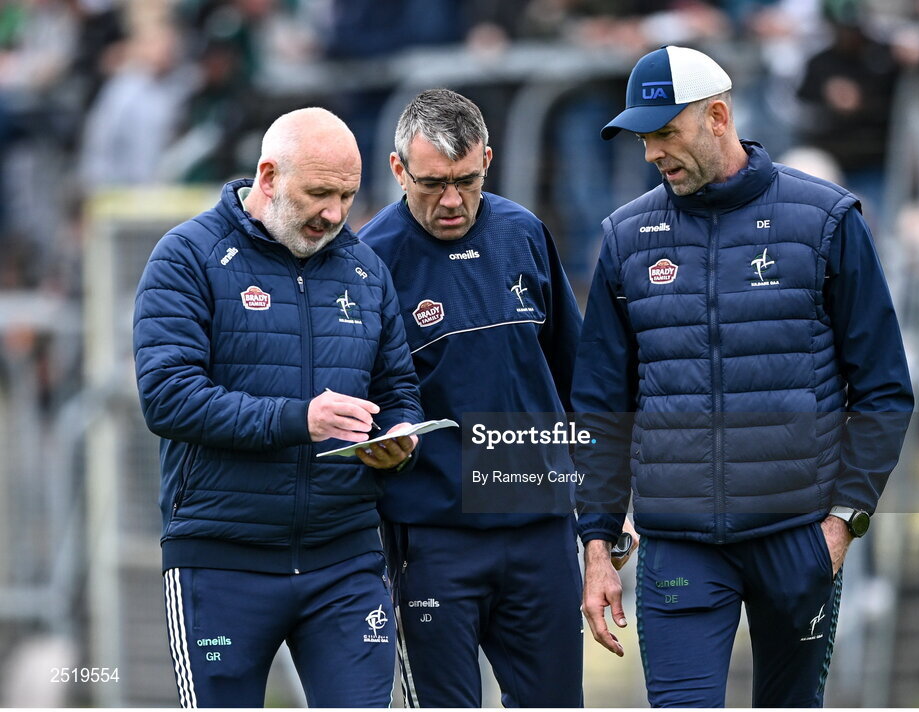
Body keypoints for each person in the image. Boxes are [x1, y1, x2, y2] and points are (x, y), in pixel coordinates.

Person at [572, 47, 914, 707]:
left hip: (800, 540)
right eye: (643, 137)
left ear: (718, 117)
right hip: (679, 548)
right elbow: (600, 409)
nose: (652, 153)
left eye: (665, 132)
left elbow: (884, 390)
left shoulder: (827, 221)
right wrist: (595, 543)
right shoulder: (625, 238)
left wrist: (842, 524)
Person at [133, 107, 422, 708]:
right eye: (319, 193)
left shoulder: (366, 269)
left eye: (347, 195)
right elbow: (167, 397)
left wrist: (399, 436)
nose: (336, 214)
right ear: (268, 177)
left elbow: (397, 388)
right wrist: (300, 419)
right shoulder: (186, 256)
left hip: (345, 558)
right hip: (221, 559)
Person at [358, 88, 585, 708]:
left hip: (541, 530)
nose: (452, 200)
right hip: (433, 539)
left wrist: (605, 506)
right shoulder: (368, 262)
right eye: (434, 183)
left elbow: (579, 379)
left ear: (488, 157)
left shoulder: (525, 233)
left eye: (468, 179)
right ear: (398, 168)